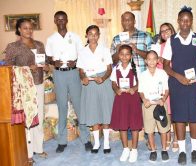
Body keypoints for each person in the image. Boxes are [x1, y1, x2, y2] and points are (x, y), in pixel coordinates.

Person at [162, 7, 196, 165]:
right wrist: (178, 76)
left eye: (188, 20)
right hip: (178, 85)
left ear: (191, 22)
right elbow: (166, 65)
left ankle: (194, 150)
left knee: (195, 117)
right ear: (178, 21)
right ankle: (182, 150)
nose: (185, 23)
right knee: (180, 118)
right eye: (182, 20)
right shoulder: (171, 40)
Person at [45, 11, 92, 153]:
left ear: (67, 20)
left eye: (63, 19)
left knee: (79, 106)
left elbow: (83, 55)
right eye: (58, 19)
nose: (61, 21)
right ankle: (62, 140)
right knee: (62, 107)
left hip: (73, 73)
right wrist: (54, 62)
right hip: (59, 74)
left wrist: (76, 61)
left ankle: (86, 139)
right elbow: (47, 58)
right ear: (55, 21)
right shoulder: (51, 39)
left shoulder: (75, 37)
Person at [4, 18, 48, 164]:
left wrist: (46, 67)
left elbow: (45, 62)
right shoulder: (13, 46)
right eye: (25, 28)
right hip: (24, 87)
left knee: (39, 116)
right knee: (28, 119)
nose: (28, 30)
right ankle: (27, 153)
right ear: (19, 30)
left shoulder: (39, 45)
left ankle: (38, 147)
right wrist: (28, 68)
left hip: (39, 84)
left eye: (30, 28)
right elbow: (8, 69)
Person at [110, 11, 152, 148]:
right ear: (121, 22)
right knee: (127, 111)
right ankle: (128, 143)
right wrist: (118, 51)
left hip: (142, 78)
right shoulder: (117, 39)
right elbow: (112, 60)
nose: (127, 22)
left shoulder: (145, 36)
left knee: (144, 110)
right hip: (122, 79)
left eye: (129, 20)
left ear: (134, 21)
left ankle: (147, 137)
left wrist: (136, 50)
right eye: (124, 20)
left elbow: (152, 55)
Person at [77, 25, 114, 154]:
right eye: (90, 34)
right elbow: (80, 70)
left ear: (99, 35)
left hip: (103, 82)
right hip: (89, 84)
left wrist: (103, 78)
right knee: (93, 113)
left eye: (95, 34)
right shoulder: (82, 51)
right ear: (86, 35)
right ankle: (97, 143)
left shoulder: (105, 49)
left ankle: (107, 143)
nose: (93, 36)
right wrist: (83, 78)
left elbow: (109, 69)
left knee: (105, 112)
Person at [110, 45, 143, 163]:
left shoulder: (135, 68)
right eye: (122, 54)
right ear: (118, 55)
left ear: (131, 56)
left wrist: (134, 88)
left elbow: (141, 83)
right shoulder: (116, 69)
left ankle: (134, 149)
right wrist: (116, 89)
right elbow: (113, 83)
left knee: (134, 125)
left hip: (133, 99)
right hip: (121, 99)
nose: (124, 56)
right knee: (122, 125)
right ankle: (125, 149)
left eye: (127, 54)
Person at [138, 50, 171, 162]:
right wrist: (144, 99)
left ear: (157, 61)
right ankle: (153, 150)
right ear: (146, 61)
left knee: (163, 129)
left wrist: (163, 99)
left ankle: (164, 149)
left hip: (160, 104)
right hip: (148, 105)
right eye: (149, 59)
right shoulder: (142, 75)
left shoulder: (162, 73)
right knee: (149, 130)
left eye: (154, 59)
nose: (152, 61)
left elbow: (166, 89)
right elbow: (141, 91)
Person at [151, 22, 178, 152]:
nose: (165, 32)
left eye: (167, 30)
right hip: (163, 84)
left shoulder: (178, 45)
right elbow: (152, 64)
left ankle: (177, 138)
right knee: (166, 111)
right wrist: (158, 60)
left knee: (177, 112)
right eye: (162, 31)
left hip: (177, 81)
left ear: (173, 30)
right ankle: (167, 136)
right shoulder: (158, 47)